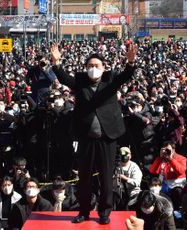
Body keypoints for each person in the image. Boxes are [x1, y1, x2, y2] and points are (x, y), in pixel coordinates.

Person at [50, 43, 137, 224]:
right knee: (84, 178)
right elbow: (65, 78)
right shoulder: (80, 81)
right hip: (86, 137)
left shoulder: (110, 79)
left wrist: (130, 62)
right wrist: (56, 62)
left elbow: (125, 76)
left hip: (107, 137)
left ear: (103, 67)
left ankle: (105, 212)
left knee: (106, 177)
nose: (93, 69)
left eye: (96, 66)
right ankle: (83, 211)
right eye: (90, 66)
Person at [149, 141, 187, 210]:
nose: (166, 151)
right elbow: (152, 170)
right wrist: (160, 157)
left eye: (168, 149)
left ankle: (178, 211)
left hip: (177, 185)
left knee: (177, 192)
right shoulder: (161, 159)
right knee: (154, 190)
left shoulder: (181, 158)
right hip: (165, 183)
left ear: (173, 150)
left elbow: (181, 171)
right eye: (164, 149)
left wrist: (171, 159)